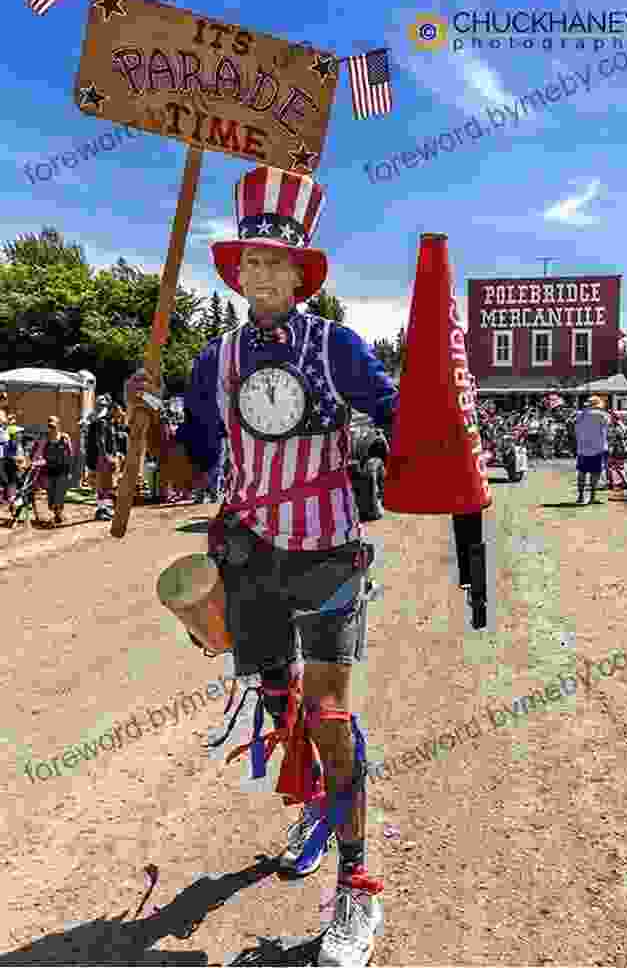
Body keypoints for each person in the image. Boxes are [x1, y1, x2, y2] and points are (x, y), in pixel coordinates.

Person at [126, 165, 396, 967]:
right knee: (278, 699)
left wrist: (428, 431)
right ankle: (316, 811)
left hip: (328, 555)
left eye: (279, 261)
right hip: (249, 557)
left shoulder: (337, 346)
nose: (265, 273)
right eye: (252, 261)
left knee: (328, 716)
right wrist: (150, 423)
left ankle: (357, 891)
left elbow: (402, 419)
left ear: (302, 274)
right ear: (238, 273)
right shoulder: (214, 361)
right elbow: (188, 471)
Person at [31, 417, 73, 525]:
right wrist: (35, 462)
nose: (51, 428)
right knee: (51, 494)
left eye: (53, 426)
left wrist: (69, 470)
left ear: (58, 425)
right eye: (49, 426)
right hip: (48, 470)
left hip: (62, 470)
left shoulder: (64, 438)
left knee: (60, 493)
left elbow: (69, 454)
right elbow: (38, 451)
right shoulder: (45, 438)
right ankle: (57, 513)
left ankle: (58, 514)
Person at [86, 394, 118, 521]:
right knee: (104, 485)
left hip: (99, 457)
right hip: (102, 458)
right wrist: (106, 457)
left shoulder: (98, 422)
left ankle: (104, 509)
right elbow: (101, 441)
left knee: (104, 485)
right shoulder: (102, 422)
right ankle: (102, 510)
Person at [574, 395, 609, 505]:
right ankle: (592, 496)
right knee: (595, 473)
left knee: (581, 473)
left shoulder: (580, 415)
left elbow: (574, 427)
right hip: (597, 448)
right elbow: (608, 426)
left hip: (582, 448)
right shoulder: (603, 415)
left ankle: (580, 496)